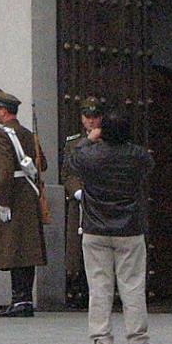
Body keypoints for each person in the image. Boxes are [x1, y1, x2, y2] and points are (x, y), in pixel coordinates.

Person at [66, 110, 154, 344]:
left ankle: (101, 339)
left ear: (102, 131)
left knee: (99, 286)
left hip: (95, 229)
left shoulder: (90, 156)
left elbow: (72, 160)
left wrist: (88, 139)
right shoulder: (137, 156)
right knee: (133, 285)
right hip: (129, 229)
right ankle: (137, 339)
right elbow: (149, 164)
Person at [0, 88, 46, 317]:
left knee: (14, 248)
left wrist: (2, 200)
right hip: (29, 193)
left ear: (3, 111)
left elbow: (3, 172)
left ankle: (19, 299)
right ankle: (24, 298)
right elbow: (43, 164)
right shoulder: (26, 133)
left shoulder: (2, 136)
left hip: (13, 194)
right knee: (28, 248)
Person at [60, 96, 103, 309]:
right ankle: (78, 289)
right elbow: (67, 173)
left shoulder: (108, 140)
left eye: (95, 117)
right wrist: (76, 191)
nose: (91, 121)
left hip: (100, 202)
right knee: (77, 249)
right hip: (79, 202)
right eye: (88, 117)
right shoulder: (73, 142)